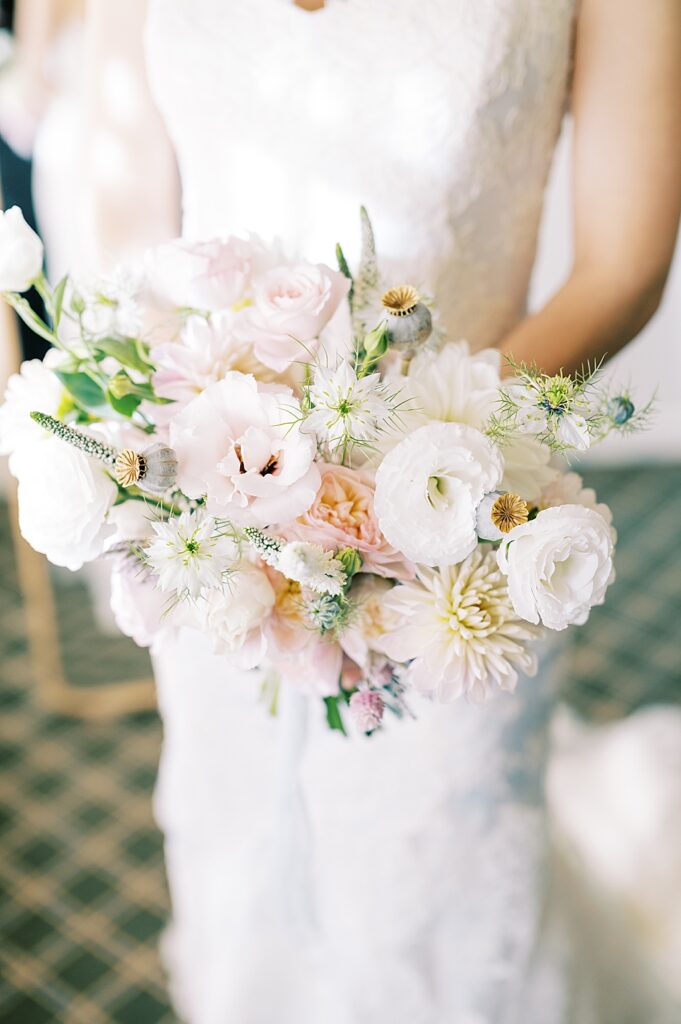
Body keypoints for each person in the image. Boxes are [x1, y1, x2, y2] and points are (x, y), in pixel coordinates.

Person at [77, 1, 680, 1021]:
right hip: (214, 509)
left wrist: (409, 478)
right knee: (243, 831)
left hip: (455, 533)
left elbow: (622, 262)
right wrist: (185, 442)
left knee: (431, 876)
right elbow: (120, 199)